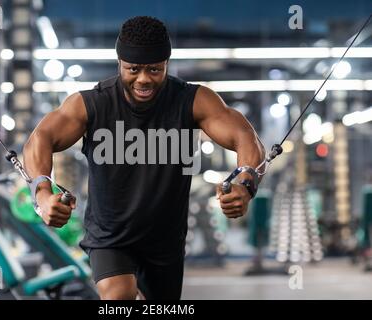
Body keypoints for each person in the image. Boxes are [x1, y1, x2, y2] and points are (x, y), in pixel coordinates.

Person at [23, 16, 265, 300]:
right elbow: (40, 139)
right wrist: (42, 194)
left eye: (154, 69)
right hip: (110, 237)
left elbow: (245, 137)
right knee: (119, 296)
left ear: (166, 64)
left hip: (166, 242)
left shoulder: (193, 101)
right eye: (133, 69)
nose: (143, 79)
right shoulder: (92, 104)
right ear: (119, 63)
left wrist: (245, 183)